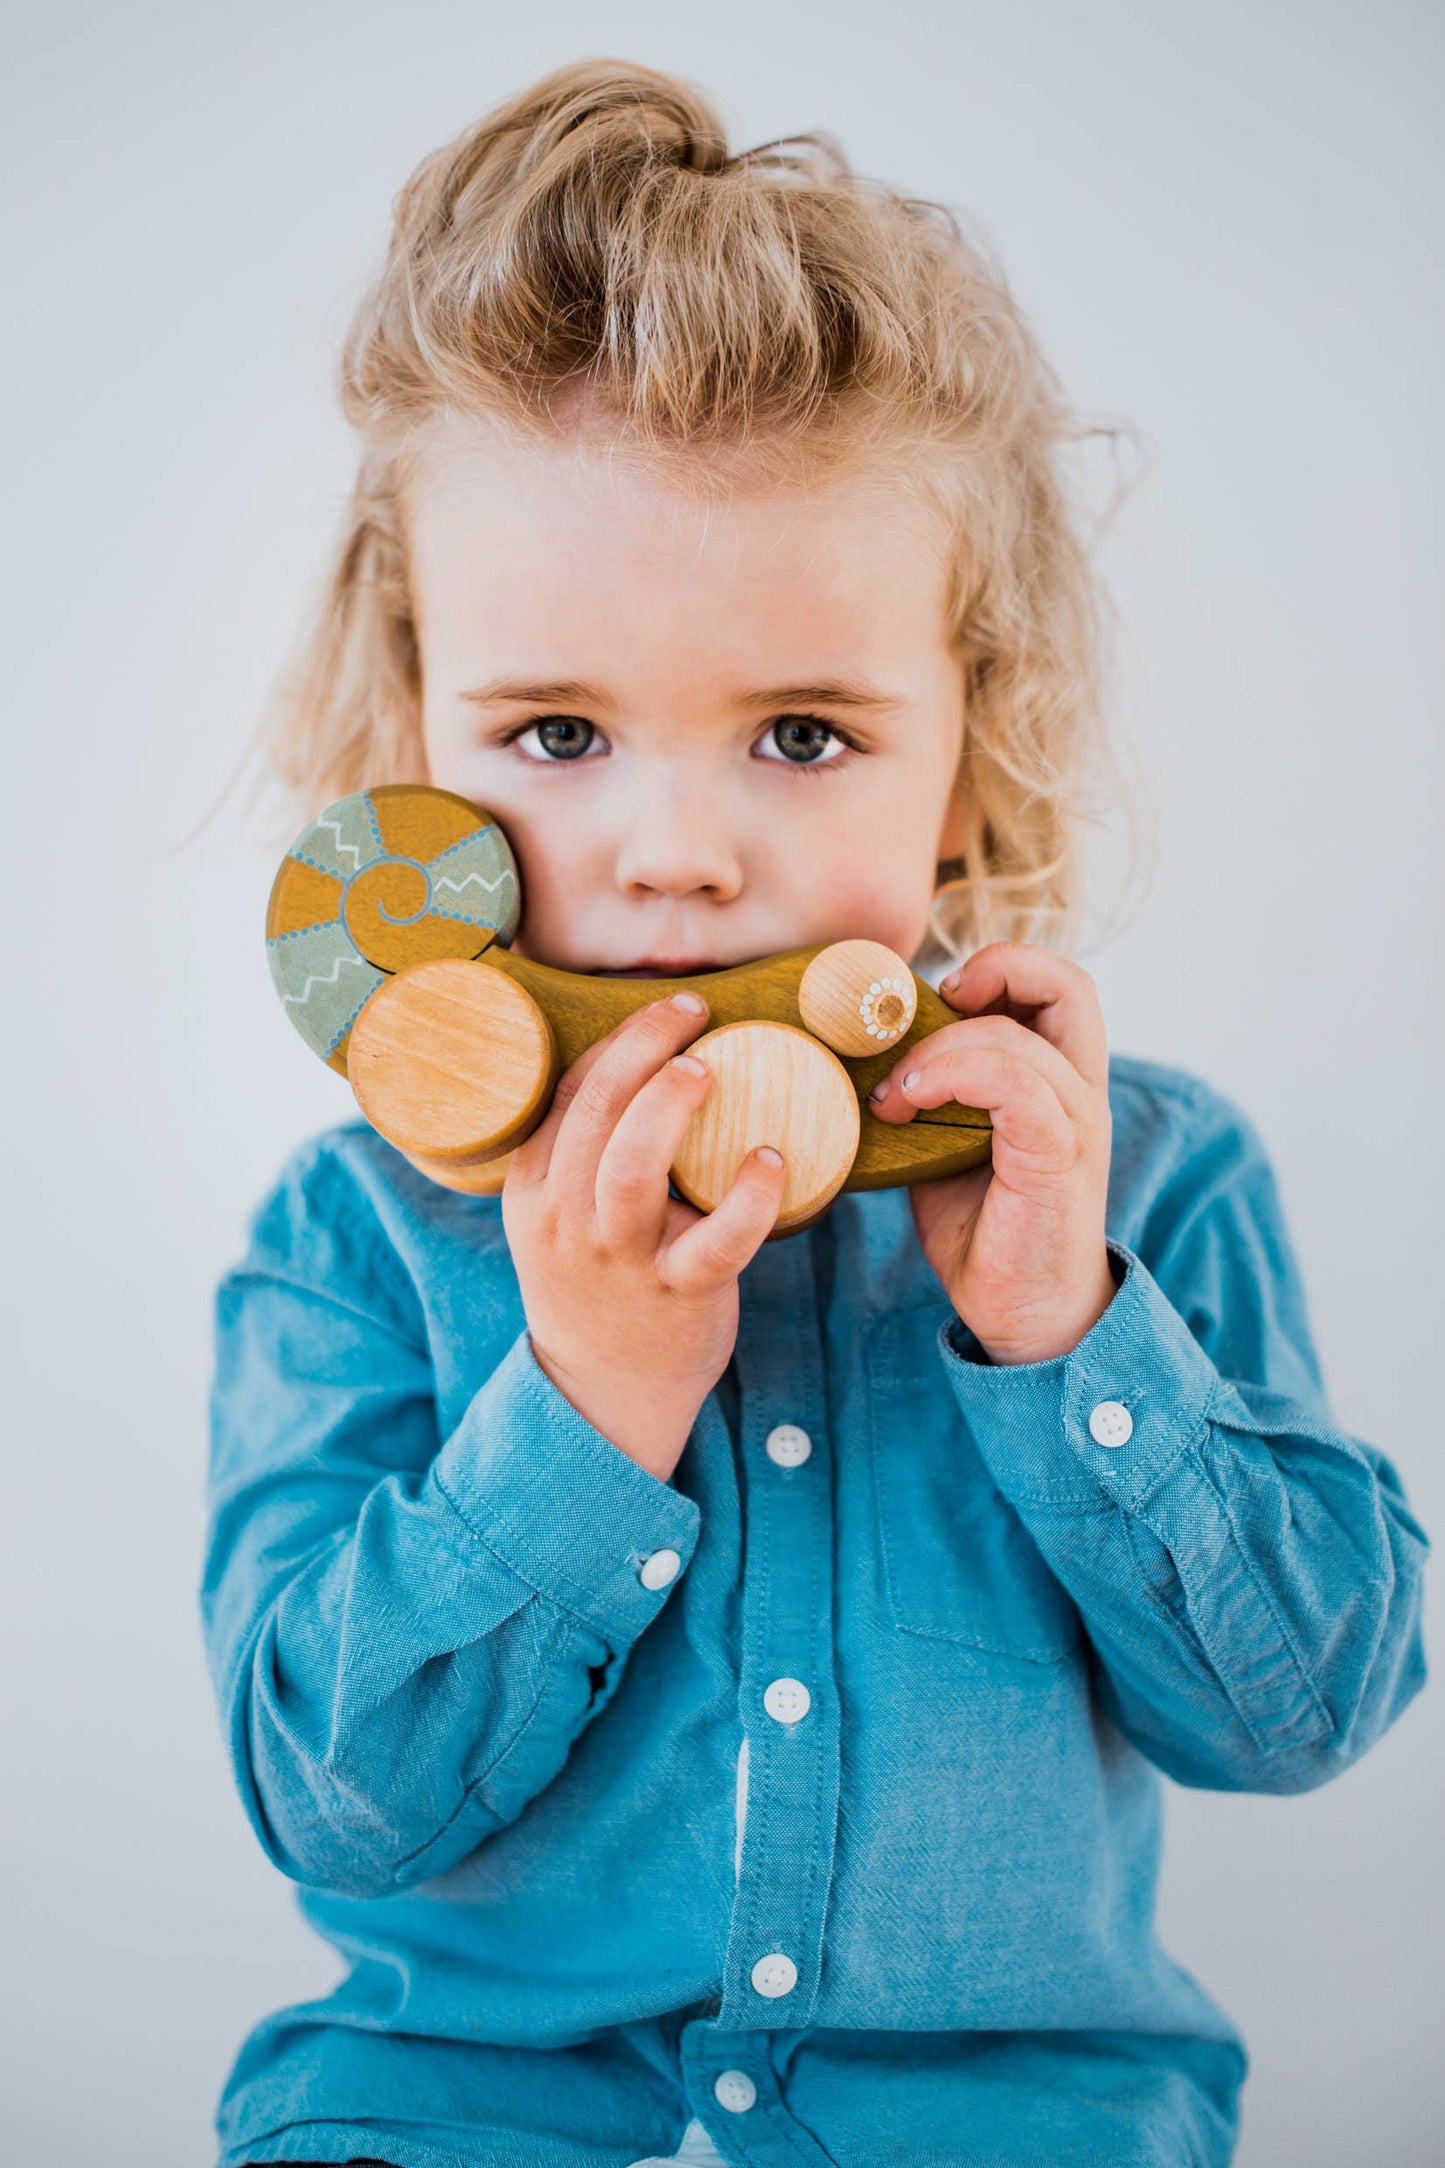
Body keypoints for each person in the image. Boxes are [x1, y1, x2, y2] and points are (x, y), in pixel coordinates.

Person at [203, 59, 1428, 2168]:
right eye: (560, 729)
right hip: (452, 2113)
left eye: (801, 731)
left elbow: (1302, 1714)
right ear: (414, 740)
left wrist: (1074, 1339)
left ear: (972, 753)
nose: (676, 853)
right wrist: (579, 1412)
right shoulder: (354, 1230)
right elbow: (329, 1793)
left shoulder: (1142, 1176)